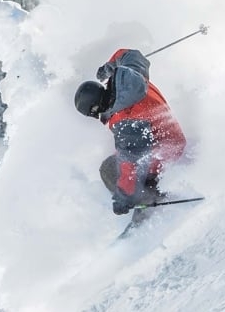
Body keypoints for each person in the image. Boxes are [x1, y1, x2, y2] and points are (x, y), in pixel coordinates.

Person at [74, 48, 187, 215]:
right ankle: (143, 193)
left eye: (94, 113)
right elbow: (129, 54)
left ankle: (148, 203)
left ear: (96, 107)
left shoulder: (124, 118)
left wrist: (124, 197)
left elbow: (132, 159)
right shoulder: (130, 76)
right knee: (119, 155)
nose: (98, 117)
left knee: (109, 168)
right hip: (170, 137)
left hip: (167, 151)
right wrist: (108, 67)